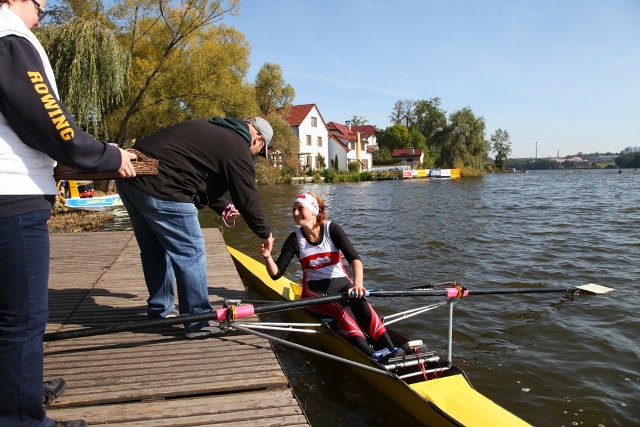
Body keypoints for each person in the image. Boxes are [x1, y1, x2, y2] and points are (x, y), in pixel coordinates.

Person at [0, 1, 138, 426]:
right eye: (39, 7)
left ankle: (16, 389)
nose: (40, 18)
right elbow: (52, 124)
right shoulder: (10, 38)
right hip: (13, 197)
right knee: (22, 319)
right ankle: (21, 416)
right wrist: (108, 155)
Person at [115, 116, 274, 338]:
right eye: (259, 152)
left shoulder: (213, 129)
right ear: (258, 139)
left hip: (129, 179)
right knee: (191, 253)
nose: (255, 156)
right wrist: (265, 232)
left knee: (154, 251)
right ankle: (197, 320)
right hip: (163, 187)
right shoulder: (238, 145)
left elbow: (195, 176)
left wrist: (222, 206)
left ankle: (160, 310)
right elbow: (247, 197)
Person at [260, 192, 399, 360]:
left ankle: (391, 348)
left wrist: (358, 284)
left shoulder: (332, 229)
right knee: (339, 308)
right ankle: (372, 356)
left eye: (300, 208)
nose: (295, 213)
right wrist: (267, 257)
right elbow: (276, 274)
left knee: (361, 301)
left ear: (313, 210)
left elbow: (354, 259)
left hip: (342, 285)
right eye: (293, 209)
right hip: (314, 293)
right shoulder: (294, 239)